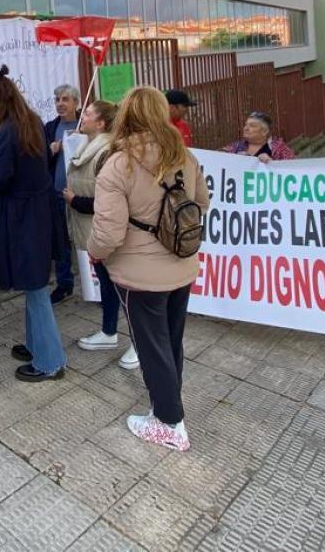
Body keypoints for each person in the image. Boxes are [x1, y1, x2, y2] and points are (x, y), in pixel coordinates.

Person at [89, 86, 211, 452]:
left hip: (139, 275)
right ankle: (168, 405)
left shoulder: (118, 164)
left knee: (151, 347)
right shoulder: (183, 154)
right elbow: (201, 202)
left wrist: (95, 253)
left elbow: (108, 233)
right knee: (170, 341)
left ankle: (169, 423)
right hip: (182, 265)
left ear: (126, 115)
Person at [0, 65, 68, 382]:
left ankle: (51, 362)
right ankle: (35, 345)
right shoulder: (31, 121)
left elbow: (0, 178)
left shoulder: (6, 131)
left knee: (36, 289)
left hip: (22, 215)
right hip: (38, 211)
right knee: (35, 283)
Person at [62, 100, 139, 370]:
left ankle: (140, 343)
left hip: (109, 232)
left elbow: (109, 200)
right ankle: (109, 332)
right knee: (106, 283)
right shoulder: (87, 146)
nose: (82, 117)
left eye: (88, 114)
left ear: (101, 123)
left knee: (124, 289)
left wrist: (75, 201)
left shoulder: (107, 152)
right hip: (94, 231)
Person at [44, 84, 80, 304]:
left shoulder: (85, 125)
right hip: (58, 193)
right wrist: (51, 151)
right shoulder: (51, 127)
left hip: (81, 194)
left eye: (65, 99)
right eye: (57, 99)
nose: (60, 104)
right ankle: (65, 284)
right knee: (61, 242)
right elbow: (40, 158)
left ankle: (97, 284)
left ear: (76, 102)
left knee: (87, 239)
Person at [223, 111, 296, 161]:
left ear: (264, 131)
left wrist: (272, 164)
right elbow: (220, 160)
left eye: (252, 126)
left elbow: (293, 169)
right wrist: (235, 158)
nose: (246, 128)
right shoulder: (235, 147)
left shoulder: (280, 149)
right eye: (245, 125)